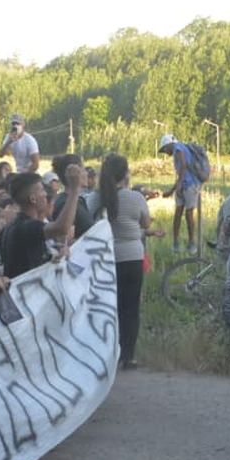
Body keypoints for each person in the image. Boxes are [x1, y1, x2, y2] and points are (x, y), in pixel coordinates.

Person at [95, 154, 161, 371]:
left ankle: (109, 352)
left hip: (107, 257)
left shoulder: (99, 197)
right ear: (125, 174)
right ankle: (129, 356)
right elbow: (145, 222)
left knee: (110, 306)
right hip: (132, 256)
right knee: (130, 307)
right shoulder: (135, 197)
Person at [0, 167, 83, 278]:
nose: (45, 195)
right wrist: (74, 190)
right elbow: (62, 228)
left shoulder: (16, 225)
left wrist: (54, 258)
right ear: (33, 199)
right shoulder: (26, 227)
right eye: (42, 190)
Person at [159, 133, 202, 252]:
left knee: (188, 214)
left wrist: (178, 186)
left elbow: (183, 166)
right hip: (183, 185)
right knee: (178, 213)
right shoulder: (178, 149)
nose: (165, 152)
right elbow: (180, 174)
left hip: (191, 185)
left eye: (164, 149)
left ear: (168, 145)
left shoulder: (178, 148)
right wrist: (172, 190)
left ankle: (191, 243)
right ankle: (176, 242)